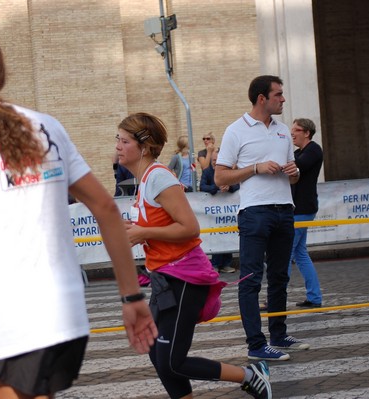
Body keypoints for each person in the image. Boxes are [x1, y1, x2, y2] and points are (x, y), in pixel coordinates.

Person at [0, 21, 156, 399]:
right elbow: (106, 208)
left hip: (10, 321)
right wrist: (131, 297)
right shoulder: (47, 127)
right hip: (66, 317)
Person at [117, 112, 272, 399]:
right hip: (165, 277)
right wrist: (135, 230)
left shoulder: (159, 178)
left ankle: (250, 375)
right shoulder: (144, 182)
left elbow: (190, 228)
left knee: (173, 361)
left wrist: (143, 233)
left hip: (185, 276)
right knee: (158, 355)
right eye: (118, 139)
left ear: (144, 146)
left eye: (124, 140)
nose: (117, 145)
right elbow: (155, 224)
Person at [215, 75, 310, 361]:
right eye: (278, 94)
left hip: (284, 209)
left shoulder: (283, 132)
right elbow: (220, 175)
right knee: (251, 279)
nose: (283, 99)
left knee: (280, 275)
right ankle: (256, 345)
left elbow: (292, 178)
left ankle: (279, 335)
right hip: (255, 212)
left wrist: (295, 174)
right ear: (262, 98)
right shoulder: (236, 130)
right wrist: (255, 168)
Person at [289, 118, 323, 308]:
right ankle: (314, 297)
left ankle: (276, 299)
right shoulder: (298, 152)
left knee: (285, 252)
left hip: (303, 208)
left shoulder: (313, 150)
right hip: (299, 208)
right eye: (292, 129)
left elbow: (294, 168)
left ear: (307, 133)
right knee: (300, 253)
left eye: (297, 130)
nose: (292, 133)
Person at [200, 147, 238, 273]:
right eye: (214, 160)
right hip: (213, 211)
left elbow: (237, 184)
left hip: (226, 211)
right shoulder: (207, 172)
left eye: (218, 160)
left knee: (226, 234)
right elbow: (202, 186)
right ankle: (215, 264)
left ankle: (226, 263)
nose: (215, 162)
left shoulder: (227, 171)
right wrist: (216, 188)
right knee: (216, 236)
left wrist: (229, 187)